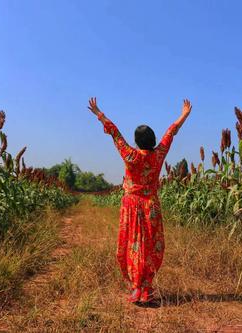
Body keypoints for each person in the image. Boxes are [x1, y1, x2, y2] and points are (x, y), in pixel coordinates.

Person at [88, 97, 192, 304]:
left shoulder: (130, 155)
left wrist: (99, 113)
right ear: (152, 140)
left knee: (134, 246)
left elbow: (115, 133)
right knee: (150, 247)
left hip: (132, 205)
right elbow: (171, 132)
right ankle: (147, 288)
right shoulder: (158, 154)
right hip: (151, 205)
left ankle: (137, 288)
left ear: (136, 142)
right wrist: (184, 114)